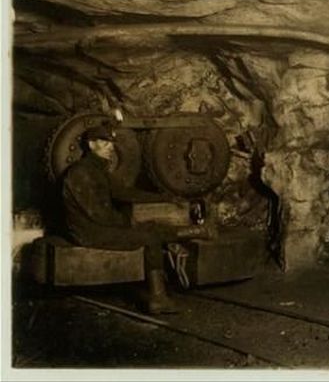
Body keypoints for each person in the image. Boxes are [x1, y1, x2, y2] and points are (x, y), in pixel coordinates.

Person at [62, 123, 216, 314]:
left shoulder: (97, 170)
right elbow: (97, 214)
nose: (111, 146)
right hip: (89, 232)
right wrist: (128, 223)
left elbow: (125, 193)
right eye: (105, 142)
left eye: (111, 142)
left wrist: (165, 197)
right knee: (149, 237)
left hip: (98, 227)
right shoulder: (80, 173)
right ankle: (158, 298)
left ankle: (198, 232)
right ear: (91, 144)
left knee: (150, 228)